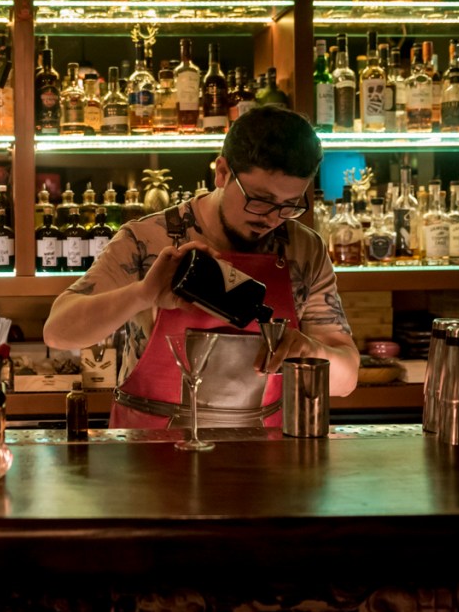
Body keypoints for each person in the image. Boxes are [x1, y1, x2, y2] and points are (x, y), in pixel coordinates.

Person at [42, 106, 359, 429]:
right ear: (222, 172)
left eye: (290, 205)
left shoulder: (304, 250)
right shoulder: (146, 239)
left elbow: (346, 381)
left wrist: (309, 350)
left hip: (267, 457)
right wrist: (142, 295)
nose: (272, 218)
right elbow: (58, 332)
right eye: (260, 199)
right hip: (148, 458)